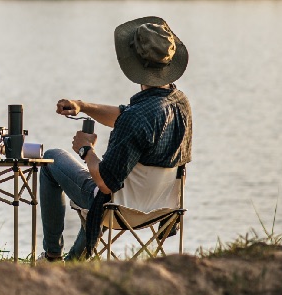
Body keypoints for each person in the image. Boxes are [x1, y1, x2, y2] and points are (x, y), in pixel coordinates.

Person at [40, 16, 193, 261]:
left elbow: (104, 183)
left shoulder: (137, 118)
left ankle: (52, 257)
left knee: (52, 159)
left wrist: (86, 150)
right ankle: (74, 262)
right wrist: (82, 106)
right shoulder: (180, 104)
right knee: (107, 188)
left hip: (119, 209)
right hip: (162, 207)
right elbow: (125, 117)